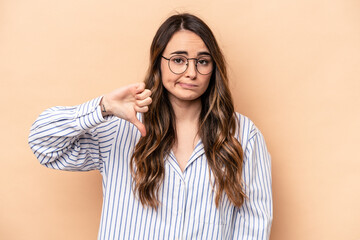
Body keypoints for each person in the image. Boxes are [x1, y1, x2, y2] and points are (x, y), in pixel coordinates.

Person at [29, 13, 272, 239]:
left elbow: (254, 222)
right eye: (178, 60)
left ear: (213, 68)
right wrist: (102, 107)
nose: (191, 72)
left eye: (203, 61)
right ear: (159, 62)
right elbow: (43, 145)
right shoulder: (119, 127)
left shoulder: (242, 134)